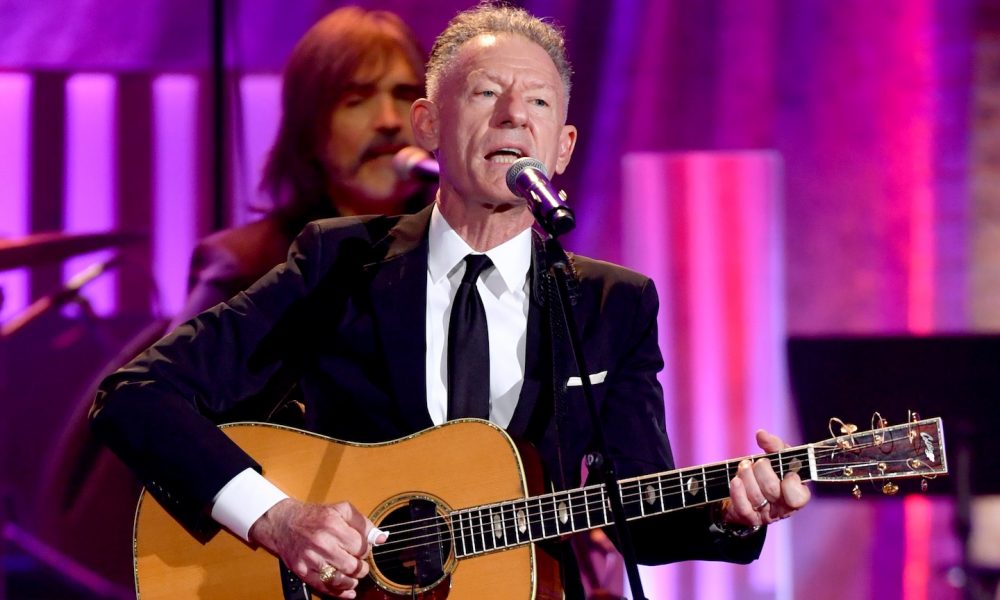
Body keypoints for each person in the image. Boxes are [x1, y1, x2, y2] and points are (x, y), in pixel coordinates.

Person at [91, 4, 811, 599]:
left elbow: (640, 515)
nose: (512, 119)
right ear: (429, 126)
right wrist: (274, 519)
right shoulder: (339, 263)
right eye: (485, 94)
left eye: (536, 103)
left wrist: (735, 512)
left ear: (561, 148)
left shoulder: (610, 305)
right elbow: (136, 394)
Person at [174, 6, 430, 325]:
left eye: (405, 96)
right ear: (310, 130)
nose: (389, 121)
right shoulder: (246, 268)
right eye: (357, 100)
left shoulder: (460, 248)